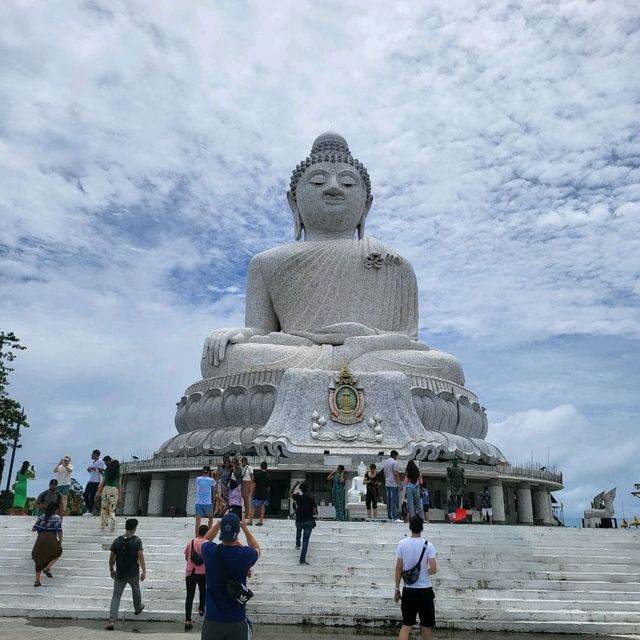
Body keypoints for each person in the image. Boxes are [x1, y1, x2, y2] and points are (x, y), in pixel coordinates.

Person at [200, 513, 261, 640]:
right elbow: (257, 548)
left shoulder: (210, 552)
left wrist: (218, 524)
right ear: (237, 532)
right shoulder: (244, 555)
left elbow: (204, 540)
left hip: (212, 619)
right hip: (236, 620)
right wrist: (245, 528)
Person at [394, 515, 437, 640]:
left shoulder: (402, 544)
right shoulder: (428, 545)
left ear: (410, 527)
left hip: (409, 590)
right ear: (422, 528)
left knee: (406, 625)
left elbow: (398, 568)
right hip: (425, 590)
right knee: (426, 626)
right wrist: (423, 573)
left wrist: (397, 588)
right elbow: (433, 569)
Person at [106, 518, 146, 630]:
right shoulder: (137, 541)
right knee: (136, 590)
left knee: (116, 596)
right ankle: (137, 608)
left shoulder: (117, 541)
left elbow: (111, 556)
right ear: (134, 528)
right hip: (133, 572)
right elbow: (140, 556)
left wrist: (111, 569)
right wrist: (144, 570)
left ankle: (112, 621)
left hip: (120, 573)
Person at [31, 502, 63, 587]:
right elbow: (59, 530)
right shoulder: (57, 518)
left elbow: (34, 529)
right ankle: (47, 568)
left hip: (41, 538)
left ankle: (37, 581)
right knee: (58, 552)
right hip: (51, 538)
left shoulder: (41, 517)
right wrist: (60, 540)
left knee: (39, 558)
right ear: (55, 510)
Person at [184, 524, 208, 631]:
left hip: (191, 572)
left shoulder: (191, 542)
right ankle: (201, 609)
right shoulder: (207, 544)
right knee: (203, 591)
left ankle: (188, 619)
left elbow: (186, 556)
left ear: (198, 532)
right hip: (203, 572)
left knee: (189, 596)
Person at [289, 480, 318, 565]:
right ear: (308, 489)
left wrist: (295, 485)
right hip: (308, 521)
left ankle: (297, 544)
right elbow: (314, 511)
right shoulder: (312, 499)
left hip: (299, 520)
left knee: (298, 530)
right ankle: (302, 560)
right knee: (305, 541)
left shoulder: (298, 497)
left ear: (301, 489)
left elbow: (290, 494)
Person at [97, 459, 122, 532]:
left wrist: (98, 492)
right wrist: (120, 497)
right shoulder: (119, 473)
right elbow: (120, 485)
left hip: (106, 489)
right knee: (112, 507)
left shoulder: (106, 472)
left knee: (104, 507)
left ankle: (103, 524)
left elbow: (102, 483)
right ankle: (113, 521)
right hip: (114, 490)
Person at [195, 465, 216, 535]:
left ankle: (196, 535)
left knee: (198, 519)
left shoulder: (198, 479)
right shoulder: (211, 480)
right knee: (210, 518)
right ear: (209, 471)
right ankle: (209, 533)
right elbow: (214, 488)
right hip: (207, 502)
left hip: (198, 501)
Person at [84, 449, 105, 516]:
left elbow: (102, 469)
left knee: (92, 496)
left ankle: (90, 511)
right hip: (90, 480)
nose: (91, 455)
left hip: (96, 481)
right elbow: (91, 471)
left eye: (92, 454)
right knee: (85, 494)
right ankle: (88, 509)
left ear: (96, 455)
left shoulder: (100, 461)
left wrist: (95, 469)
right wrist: (89, 469)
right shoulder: (92, 462)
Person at [250, 461, 270, 526]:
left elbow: (254, 484)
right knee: (262, 507)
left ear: (260, 466)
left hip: (258, 492)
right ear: (266, 467)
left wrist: (251, 492)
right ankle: (261, 521)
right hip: (265, 493)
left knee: (254, 506)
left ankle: (250, 520)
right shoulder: (268, 475)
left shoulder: (257, 475)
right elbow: (268, 486)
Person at [384, 450, 402, 522]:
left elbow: (384, 473)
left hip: (387, 483)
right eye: (396, 456)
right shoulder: (394, 463)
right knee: (393, 501)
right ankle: (394, 517)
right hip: (393, 484)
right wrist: (399, 484)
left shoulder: (386, 462)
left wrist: (386, 481)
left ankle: (389, 517)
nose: (396, 458)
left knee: (389, 501)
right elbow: (396, 474)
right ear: (395, 455)